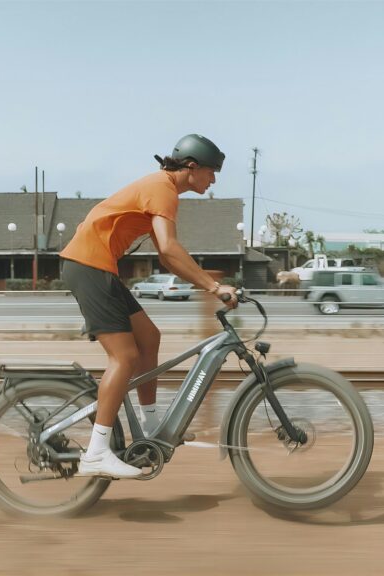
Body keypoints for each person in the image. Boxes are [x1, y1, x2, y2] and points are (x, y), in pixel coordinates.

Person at [60, 134, 238, 478]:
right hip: (88, 266)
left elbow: (167, 256)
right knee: (124, 357)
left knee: (149, 338)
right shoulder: (163, 189)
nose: (213, 180)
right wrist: (215, 287)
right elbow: (171, 249)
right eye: (212, 172)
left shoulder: (163, 189)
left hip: (97, 267)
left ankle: (151, 424)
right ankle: (96, 453)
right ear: (192, 167)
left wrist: (207, 285)